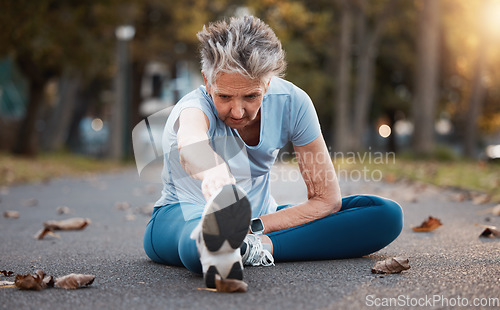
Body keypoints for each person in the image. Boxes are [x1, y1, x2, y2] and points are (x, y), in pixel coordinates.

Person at [143, 15, 403, 289]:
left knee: (384, 214)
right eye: (224, 97)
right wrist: (213, 173)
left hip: (261, 219)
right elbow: (191, 141)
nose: (238, 111)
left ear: (267, 84)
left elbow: (326, 200)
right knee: (199, 245)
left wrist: (254, 226)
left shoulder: (293, 102)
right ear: (208, 83)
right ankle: (226, 245)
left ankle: (249, 247)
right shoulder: (193, 107)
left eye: (251, 96)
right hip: (181, 217)